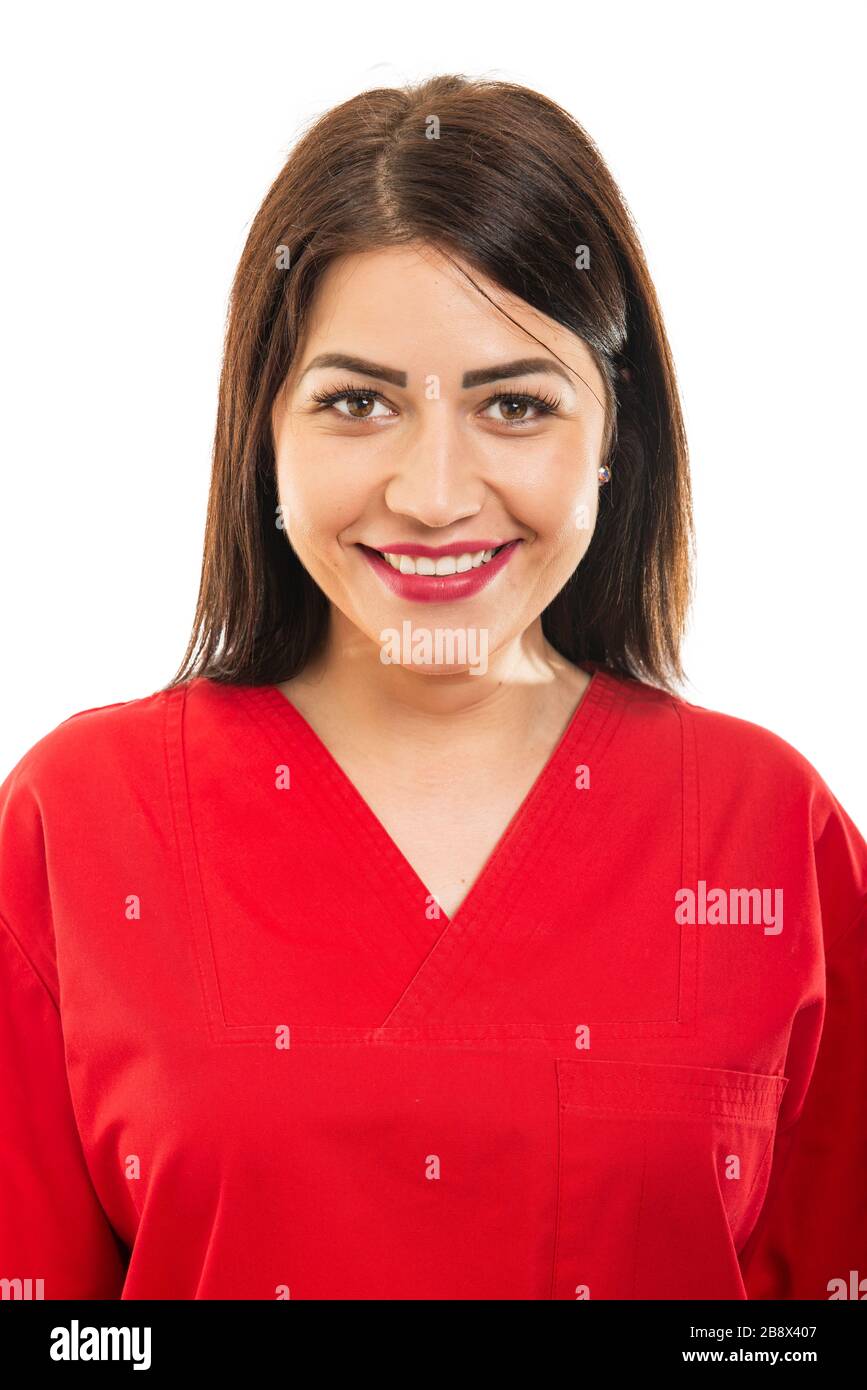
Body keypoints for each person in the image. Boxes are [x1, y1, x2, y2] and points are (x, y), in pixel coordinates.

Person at [1, 74, 864, 1302]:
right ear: (264, 431)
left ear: (615, 433)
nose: (435, 492)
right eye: (358, 402)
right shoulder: (79, 825)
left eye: (515, 404)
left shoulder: (765, 832)